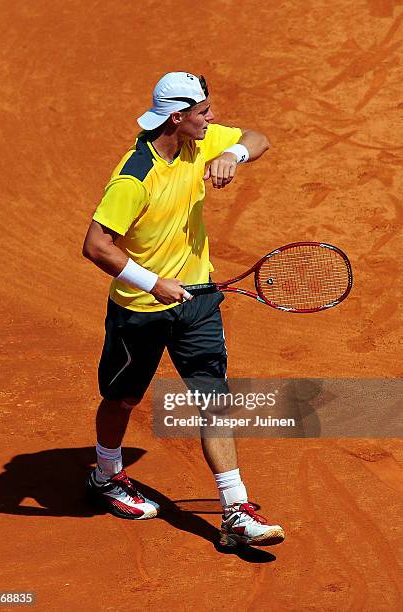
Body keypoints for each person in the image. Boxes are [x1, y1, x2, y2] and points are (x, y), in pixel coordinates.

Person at [82, 72, 285, 548]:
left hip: (198, 300)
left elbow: (260, 139)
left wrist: (231, 155)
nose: (212, 118)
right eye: (203, 112)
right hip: (139, 311)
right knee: (123, 399)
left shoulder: (200, 144)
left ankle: (235, 509)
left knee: (216, 401)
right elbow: (95, 246)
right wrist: (153, 284)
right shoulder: (134, 177)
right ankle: (107, 475)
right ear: (177, 117)